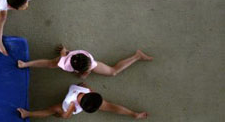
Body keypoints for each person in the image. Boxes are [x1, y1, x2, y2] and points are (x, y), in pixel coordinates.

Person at [17, 83, 148, 120]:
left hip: (70, 101)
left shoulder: (82, 93)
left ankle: (133, 114)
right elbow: (64, 116)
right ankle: (27, 114)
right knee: (51, 110)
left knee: (52, 110)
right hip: (68, 102)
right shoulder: (83, 91)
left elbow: (64, 116)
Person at [18, 45, 153, 79]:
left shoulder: (89, 62)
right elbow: (60, 56)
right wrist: (64, 50)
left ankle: (137, 56)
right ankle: (25, 64)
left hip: (74, 56)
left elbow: (84, 73)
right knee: (50, 63)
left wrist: (84, 74)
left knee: (113, 72)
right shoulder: (64, 62)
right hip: (72, 56)